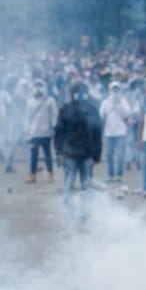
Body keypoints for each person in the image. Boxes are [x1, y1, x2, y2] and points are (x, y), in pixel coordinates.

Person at [54, 83, 102, 224]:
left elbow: (97, 133)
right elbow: (59, 132)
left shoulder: (92, 110)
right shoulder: (66, 110)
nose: (80, 95)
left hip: (86, 154)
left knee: (86, 187)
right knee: (69, 186)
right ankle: (68, 215)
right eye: (78, 92)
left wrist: (97, 154)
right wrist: (58, 152)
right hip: (70, 155)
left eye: (83, 92)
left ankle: (85, 215)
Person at [24, 80, 59, 184]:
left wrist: (54, 126)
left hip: (46, 132)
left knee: (48, 155)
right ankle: (32, 175)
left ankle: (50, 174)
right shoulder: (30, 101)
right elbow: (27, 117)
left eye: (40, 86)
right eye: (36, 86)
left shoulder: (50, 100)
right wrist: (26, 130)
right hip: (34, 133)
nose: (38, 89)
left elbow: (54, 114)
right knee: (33, 155)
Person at [99, 81, 133, 183]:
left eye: (116, 89)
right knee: (109, 155)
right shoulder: (105, 102)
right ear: (109, 90)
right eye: (113, 89)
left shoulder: (123, 101)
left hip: (120, 132)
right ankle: (110, 175)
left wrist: (118, 104)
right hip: (109, 132)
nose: (115, 91)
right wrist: (110, 104)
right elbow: (101, 115)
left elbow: (127, 114)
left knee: (120, 155)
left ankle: (119, 175)